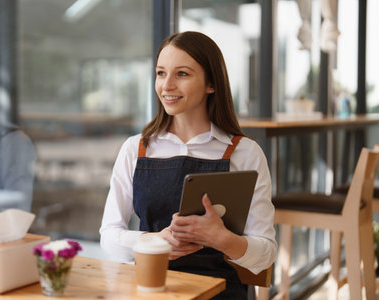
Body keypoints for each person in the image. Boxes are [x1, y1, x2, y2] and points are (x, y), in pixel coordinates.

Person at [100, 31, 277, 299]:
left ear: (211, 84)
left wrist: (222, 238)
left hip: (220, 291)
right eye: (161, 73)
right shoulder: (135, 149)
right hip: (150, 287)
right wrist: (154, 242)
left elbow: (265, 254)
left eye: (182, 74)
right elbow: (109, 237)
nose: (166, 85)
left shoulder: (245, 153)